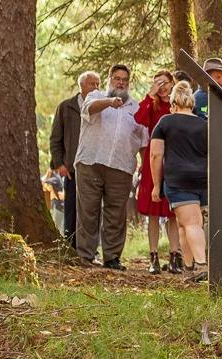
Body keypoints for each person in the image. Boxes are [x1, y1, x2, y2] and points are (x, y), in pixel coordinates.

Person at [76, 63, 141, 269]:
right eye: (116, 78)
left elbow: (144, 140)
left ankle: (112, 257)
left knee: (116, 214)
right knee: (88, 210)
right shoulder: (95, 96)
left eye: (124, 80)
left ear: (128, 83)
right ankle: (86, 255)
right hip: (91, 162)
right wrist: (109, 102)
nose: (120, 82)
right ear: (109, 79)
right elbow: (88, 109)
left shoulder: (136, 108)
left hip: (122, 167)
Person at [149, 87, 209, 279]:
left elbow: (155, 155)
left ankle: (201, 266)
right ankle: (189, 269)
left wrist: (156, 185)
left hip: (178, 180)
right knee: (184, 225)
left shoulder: (165, 122)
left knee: (191, 224)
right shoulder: (204, 124)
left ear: (174, 104)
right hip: (202, 180)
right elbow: (214, 155)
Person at [135, 71, 181, 273]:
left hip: (175, 160)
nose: (162, 86)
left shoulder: (177, 105)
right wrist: (149, 95)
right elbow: (139, 119)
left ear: (172, 84)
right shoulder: (152, 105)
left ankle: (174, 255)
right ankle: (153, 256)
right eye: (158, 83)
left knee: (174, 211)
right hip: (153, 160)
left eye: (165, 82)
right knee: (152, 211)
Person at [50, 71, 97, 243]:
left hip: (94, 167)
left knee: (91, 210)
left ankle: (89, 247)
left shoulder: (101, 107)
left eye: (98, 84)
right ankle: (70, 245)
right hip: (72, 168)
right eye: (92, 84)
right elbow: (55, 138)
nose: (96, 87)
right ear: (82, 85)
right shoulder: (66, 107)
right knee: (71, 208)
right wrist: (59, 164)